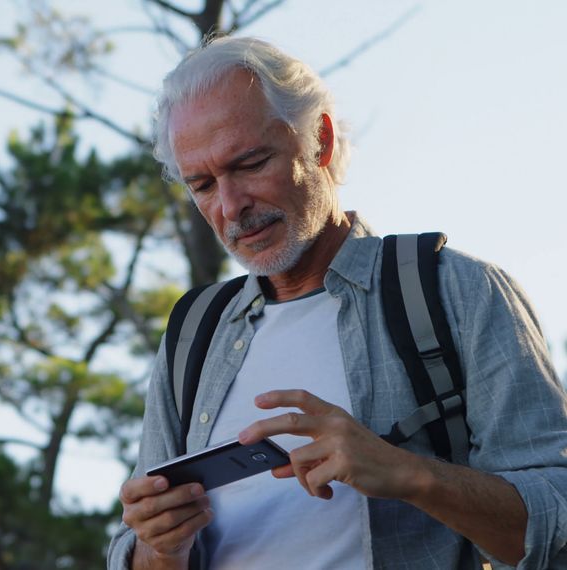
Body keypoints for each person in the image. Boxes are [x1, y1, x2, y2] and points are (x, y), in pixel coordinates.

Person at [108, 36, 567, 570]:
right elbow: (138, 555)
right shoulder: (193, 334)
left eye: (251, 163)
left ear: (319, 140)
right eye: (203, 184)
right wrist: (160, 548)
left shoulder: (458, 291)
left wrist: (410, 475)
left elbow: (557, 520)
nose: (231, 207)